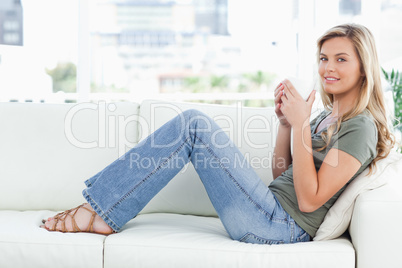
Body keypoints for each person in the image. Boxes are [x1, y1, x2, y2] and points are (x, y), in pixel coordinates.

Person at [41, 23, 395, 244]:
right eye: (323, 58)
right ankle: (103, 209)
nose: (328, 67)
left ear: (364, 68)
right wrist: (287, 125)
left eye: (341, 59)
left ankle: (103, 212)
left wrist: (301, 124)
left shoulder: (360, 126)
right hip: (268, 210)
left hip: (278, 226)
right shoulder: (327, 116)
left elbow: (308, 201)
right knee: (193, 124)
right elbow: (281, 175)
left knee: (194, 124)